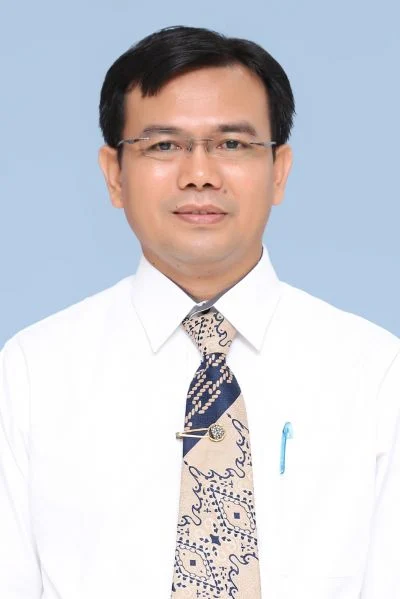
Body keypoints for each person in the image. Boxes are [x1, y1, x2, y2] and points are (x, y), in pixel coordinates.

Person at [0, 25, 399, 599]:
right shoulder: (33, 372)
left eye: (231, 145)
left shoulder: (377, 373)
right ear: (114, 174)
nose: (200, 174)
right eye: (164, 146)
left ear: (279, 170)